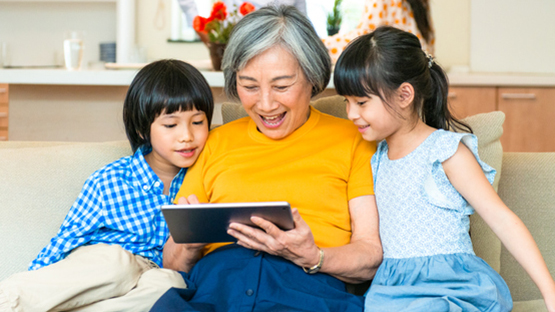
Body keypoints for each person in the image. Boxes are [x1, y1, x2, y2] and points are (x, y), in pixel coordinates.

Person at [152, 5, 382, 312]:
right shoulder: (214, 142)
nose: (265, 103)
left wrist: (313, 256)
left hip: (306, 291)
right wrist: (189, 245)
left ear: (312, 78)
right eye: (249, 86)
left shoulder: (354, 139)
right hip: (217, 290)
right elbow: (172, 262)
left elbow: (369, 256)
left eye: (281, 86)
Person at [333, 26, 555, 312]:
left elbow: (502, 219)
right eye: (346, 102)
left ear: (404, 95)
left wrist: (549, 290)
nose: (351, 114)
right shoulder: (376, 159)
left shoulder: (445, 151)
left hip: (452, 286)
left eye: (361, 102)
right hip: (392, 291)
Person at [0, 59, 214, 312]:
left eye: (197, 122)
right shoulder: (111, 179)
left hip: (152, 278)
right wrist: (38, 278)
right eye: (170, 125)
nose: (186, 135)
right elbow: (67, 239)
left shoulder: (206, 179)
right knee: (117, 263)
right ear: (142, 129)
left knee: (170, 284)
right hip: (104, 268)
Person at [322, 0, 434, 64]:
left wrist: (320, 44)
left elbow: (364, 39)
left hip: (395, 74)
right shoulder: (420, 3)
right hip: (417, 73)